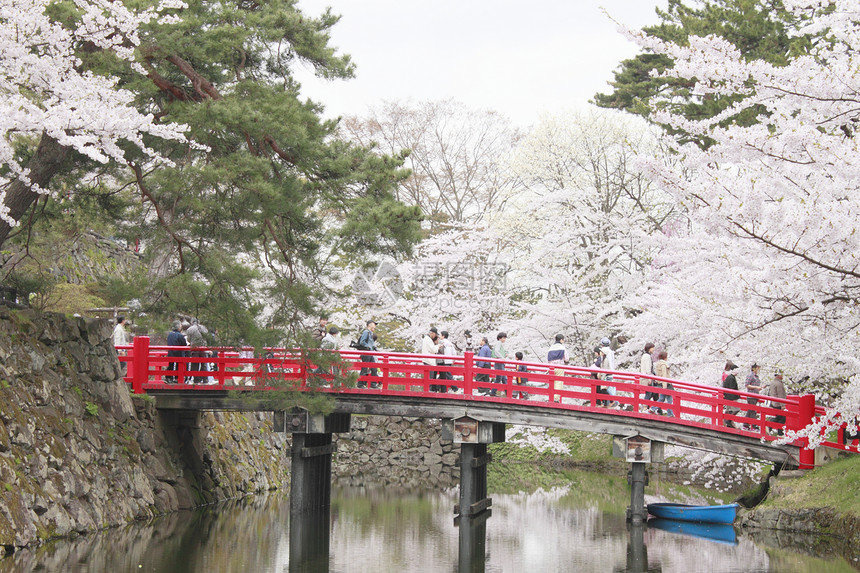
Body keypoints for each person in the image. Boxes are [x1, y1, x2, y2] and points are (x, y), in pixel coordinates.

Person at [185, 319, 211, 384]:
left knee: (194, 364)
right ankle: (205, 379)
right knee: (204, 364)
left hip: (194, 348)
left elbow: (188, 339)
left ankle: (195, 379)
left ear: (192, 322)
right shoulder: (204, 328)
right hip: (203, 348)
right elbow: (207, 338)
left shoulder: (190, 329)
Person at [547, 334, 570, 403]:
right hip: (559, 366)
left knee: (552, 382)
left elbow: (548, 359)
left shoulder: (551, 347)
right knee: (558, 382)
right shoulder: (562, 347)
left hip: (551, 367)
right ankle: (556, 398)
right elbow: (566, 358)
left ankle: (551, 397)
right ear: (561, 340)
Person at [652, 351, 674, 416]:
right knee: (668, 399)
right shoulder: (664, 365)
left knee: (663, 398)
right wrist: (665, 386)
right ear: (664, 357)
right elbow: (664, 376)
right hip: (666, 385)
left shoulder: (658, 364)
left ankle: (653, 409)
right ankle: (669, 414)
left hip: (661, 384)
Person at [358, 320, 378, 388]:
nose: (374, 327)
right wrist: (369, 347)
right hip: (366, 352)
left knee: (374, 368)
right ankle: (360, 384)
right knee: (364, 369)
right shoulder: (366, 332)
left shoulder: (371, 333)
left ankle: (373, 384)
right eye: (374, 325)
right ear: (369, 324)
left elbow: (371, 343)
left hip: (370, 353)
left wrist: (374, 348)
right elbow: (362, 342)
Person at [421, 327, 442, 392]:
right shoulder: (428, 339)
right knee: (430, 376)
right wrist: (438, 346)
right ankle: (429, 390)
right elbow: (433, 350)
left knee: (430, 376)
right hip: (429, 360)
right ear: (432, 333)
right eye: (435, 334)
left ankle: (430, 389)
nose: (435, 336)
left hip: (427, 360)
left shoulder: (427, 339)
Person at [767, 370, 787, 436]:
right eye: (781, 375)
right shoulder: (779, 384)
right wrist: (783, 405)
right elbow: (781, 395)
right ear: (778, 376)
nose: (782, 376)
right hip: (778, 403)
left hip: (774, 403)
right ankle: (780, 432)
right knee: (782, 418)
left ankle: (769, 427)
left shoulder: (772, 382)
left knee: (778, 417)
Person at [744, 363, 763, 430]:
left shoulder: (756, 376)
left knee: (750, 410)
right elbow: (747, 384)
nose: (758, 370)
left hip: (755, 395)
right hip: (751, 395)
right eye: (758, 368)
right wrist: (756, 387)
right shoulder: (750, 375)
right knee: (752, 410)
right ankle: (754, 425)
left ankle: (746, 424)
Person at [722, 361, 741, 428]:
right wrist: (735, 398)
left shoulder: (729, 377)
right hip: (730, 397)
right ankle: (728, 421)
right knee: (736, 409)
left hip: (727, 397)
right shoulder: (731, 378)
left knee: (728, 410)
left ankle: (726, 422)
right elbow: (732, 389)